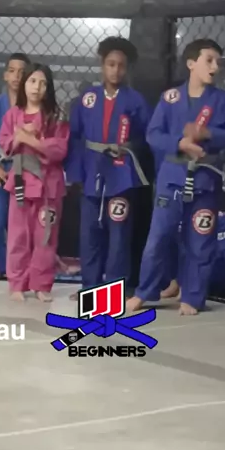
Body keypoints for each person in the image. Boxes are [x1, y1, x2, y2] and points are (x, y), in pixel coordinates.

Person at [127, 39, 225, 316]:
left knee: (200, 240)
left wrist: (208, 134)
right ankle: (145, 291)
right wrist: (180, 142)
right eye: (209, 60)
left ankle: (193, 296)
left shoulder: (222, 101)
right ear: (191, 63)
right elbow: (153, 134)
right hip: (172, 179)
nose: (215, 66)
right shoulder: (170, 98)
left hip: (205, 181)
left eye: (217, 61)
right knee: (158, 238)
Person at [65, 37, 151, 295]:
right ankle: (89, 287)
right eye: (111, 64)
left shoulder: (135, 100)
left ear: (127, 68)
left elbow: (147, 136)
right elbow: (75, 136)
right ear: (102, 65)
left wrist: (129, 147)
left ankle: (114, 291)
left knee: (119, 236)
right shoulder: (87, 98)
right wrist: (75, 172)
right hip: (92, 171)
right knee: (89, 234)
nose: (116, 70)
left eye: (121, 65)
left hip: (121, 174)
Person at [0, 64, 69, 302]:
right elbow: (5, 144)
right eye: (32, 81)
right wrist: (18, 137)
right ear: (24, 84)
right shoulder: (13, 115)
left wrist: (30, 139)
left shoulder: (56, 117)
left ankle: (41, 284)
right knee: (18, 235)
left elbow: (60, 149)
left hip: (48, 183)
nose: (37, 87)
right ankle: (17, 283)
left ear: (49, 88)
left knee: (45, 236)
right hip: (21, 181)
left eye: (43, 83)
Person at [0, 53, 30, 285]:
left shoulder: (32, 106)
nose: (17, 76)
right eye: (12, 71)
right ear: (5, 75)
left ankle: (19, 269)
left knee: (21, 222)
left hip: (24, 169)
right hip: (1, 168)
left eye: (22, 72)